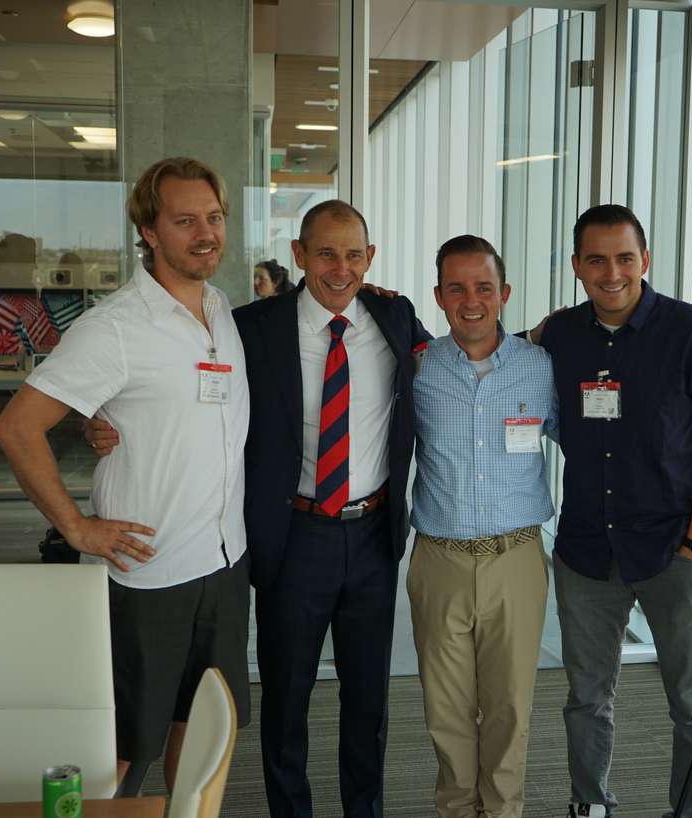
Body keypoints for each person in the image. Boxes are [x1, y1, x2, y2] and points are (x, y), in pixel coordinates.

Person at [0, 156, 252, 797]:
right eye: (184, 220)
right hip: (147, 573)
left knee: (201, 724)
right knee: (125, 747)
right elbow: (17, 427)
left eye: (213, 217)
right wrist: (76, 527)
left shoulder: (219, 308)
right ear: (149, 231)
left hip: (223, 560)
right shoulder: (116, 327)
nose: (205, 233)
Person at [529, 204, 692, 818]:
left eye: (624, 258)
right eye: (596, 260)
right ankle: (590, 806)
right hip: (588, 550)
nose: (611, 272)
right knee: (587, 699)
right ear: (576, 266)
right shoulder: (560, 334)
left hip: (676, 549)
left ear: (646, 260)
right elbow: (486, 343)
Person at [236, 200, 427, 818]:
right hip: (294, 536)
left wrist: (540, 339)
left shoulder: (396, 317)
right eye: (325, 253)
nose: (339, 269)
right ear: (299, 255)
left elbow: (464, 356)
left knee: (368, 699)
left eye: (353, 255)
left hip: (372, 536)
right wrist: (107, 422)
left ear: (370, 259)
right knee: (286, 699)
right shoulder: (254, 327)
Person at [409, 234, 557, 818]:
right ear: (439, 297)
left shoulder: (541, 368)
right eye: (457, 288)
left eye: (484, 287)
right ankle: (453, 810)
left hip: (516, 559)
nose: (472, 300)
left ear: (505, 294)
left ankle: (502, 812)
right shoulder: (417, 369)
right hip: (438, 560)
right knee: (445, 712)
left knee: (510, 709)